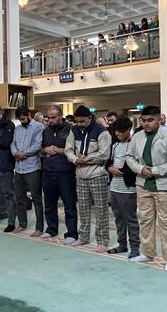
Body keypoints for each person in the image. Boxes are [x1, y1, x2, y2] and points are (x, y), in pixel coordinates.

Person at [125, 106, 167, 272]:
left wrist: (154, 171)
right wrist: (140, 169)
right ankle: (147, 253)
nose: (146, 124)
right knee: (145, 220)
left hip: (164, 186)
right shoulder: (136, 137)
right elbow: (129, 157)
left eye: (150, 120)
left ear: (159, 119)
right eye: (143, 120)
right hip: (143, 184)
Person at [65, 105, 111, 251]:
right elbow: (68, 149)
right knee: (83, 209)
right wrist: (75, 160)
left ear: (90, 118)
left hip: (97, 175)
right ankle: (83, 237)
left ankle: (102, 241)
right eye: (77, 121)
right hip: (80, 175)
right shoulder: (74, 130)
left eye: (82, 121)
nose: (79, 124)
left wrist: (87, 159)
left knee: (101, 209)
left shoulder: (102, 132)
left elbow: (104, 154)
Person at [40, 105, 77, 243]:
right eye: (48, 118)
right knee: (49, 204)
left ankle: (72, 233)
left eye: (53, 117)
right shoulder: (46, 131)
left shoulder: (70, 130)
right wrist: (46, 149)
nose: (50, 120)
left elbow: (74, 151)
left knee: (69, 205)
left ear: (60, 116)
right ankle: (51, 229)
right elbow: (42, 149)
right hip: (48, 172)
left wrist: (58, 150)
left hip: (65, 173)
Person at [107, 117, 140, 257]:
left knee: (130, 219)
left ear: (128, 130)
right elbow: (108, 161)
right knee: (118, 217)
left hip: (128, 188)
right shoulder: (115, 146)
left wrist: (118, 170)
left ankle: (135, 248)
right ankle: (122, 244)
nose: (117, 134)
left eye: (120, 132)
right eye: (116, 132)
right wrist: (109, 168)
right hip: (114, 187)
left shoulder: (134, 145)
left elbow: (134, 165)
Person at [10, 106, 44, 235]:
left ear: (29, 115)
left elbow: (37, 144)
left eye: (24, 118)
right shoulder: (17, 128)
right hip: (19, 168)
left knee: (36, 198)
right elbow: (12, 143)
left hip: (32, 167)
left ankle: (39, 227)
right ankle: (22, 224)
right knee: (20, 198)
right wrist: (16, 153)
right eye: (20, 119)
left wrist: (24, 153)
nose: (22, 121)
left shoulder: (38, 127)